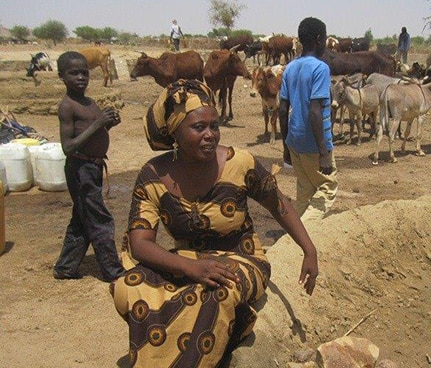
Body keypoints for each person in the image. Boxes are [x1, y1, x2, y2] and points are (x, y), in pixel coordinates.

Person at [111, 79, 319, 367]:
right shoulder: (153, 175)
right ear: (175, 132)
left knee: (215, 292)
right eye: (199, 127)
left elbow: (279, 204)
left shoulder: (240, 163)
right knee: (128, 285)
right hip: (187, 259)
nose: (211, 135)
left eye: (215, 126)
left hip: (241, 257)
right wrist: (190, 267)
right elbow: (140, 243)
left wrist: (309, 250)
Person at [53, 51, 125, 282]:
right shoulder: (67, 106)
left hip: (92, 168)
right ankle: (113, 272)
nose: (81, 77)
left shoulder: (89, 102)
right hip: (79, 169)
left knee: (82, 220)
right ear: (61, 76)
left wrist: (108, 124)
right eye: (74, 73)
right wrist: (98, 124)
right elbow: (68, 146)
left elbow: (93, 132)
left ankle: (65, 268)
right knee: (100, 220)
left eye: (84, 72)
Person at [278, 17, 338, 223]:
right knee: (328, 189)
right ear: (320, 39)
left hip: (294, 142)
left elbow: (283, 109)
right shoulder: (320, 68)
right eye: (326, 37)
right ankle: (302, 238)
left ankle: (293, 239)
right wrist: (324, 153)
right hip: (315, 145)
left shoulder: (291, 68)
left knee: (304, 191)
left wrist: (285, 146)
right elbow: (315, 111)